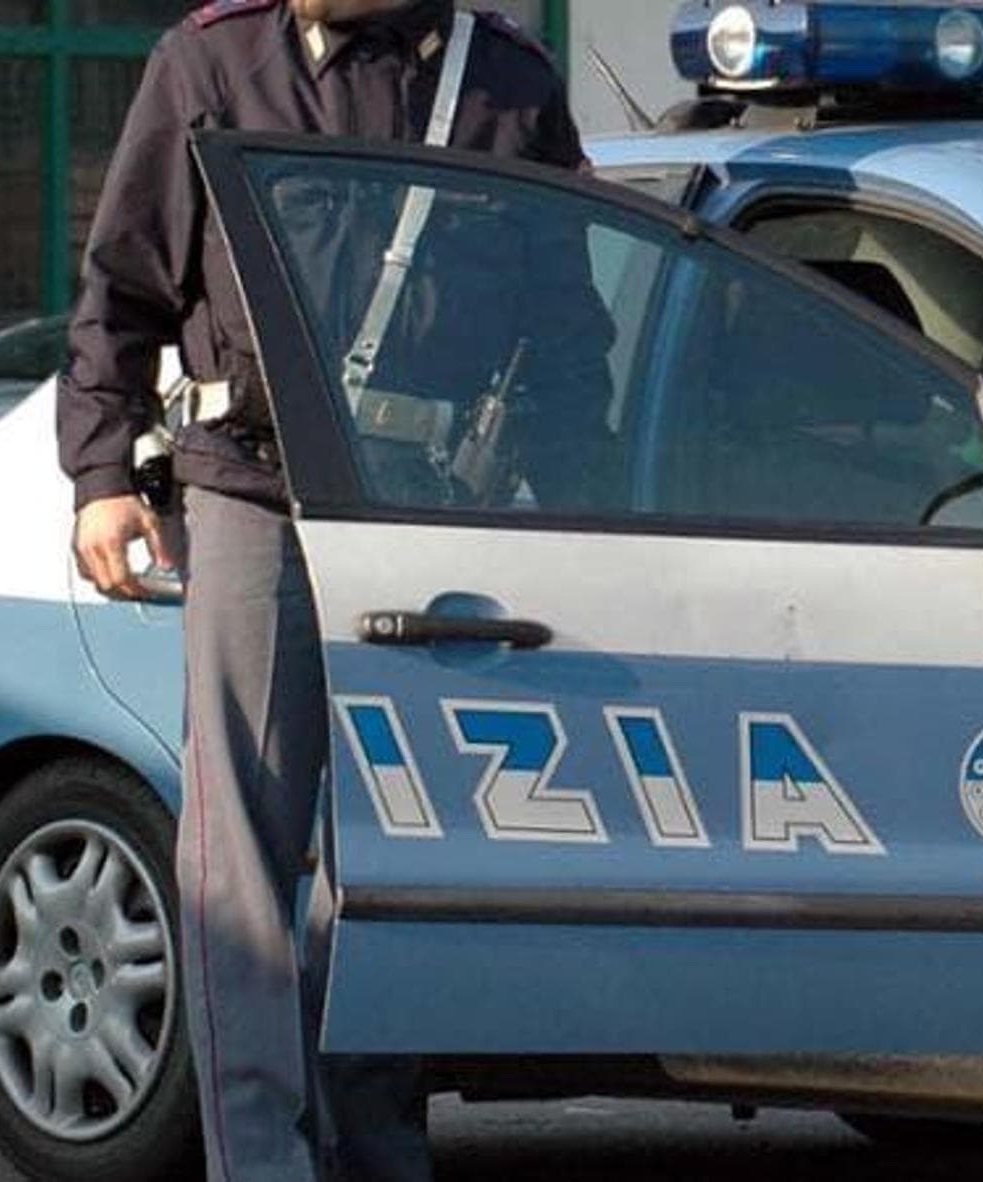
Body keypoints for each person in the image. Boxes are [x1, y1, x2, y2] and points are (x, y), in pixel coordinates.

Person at [57, 2, 593, 1177]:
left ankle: (378, 1147)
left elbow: (568, 330)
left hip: (434, 514)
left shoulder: (505, 81)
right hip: (257, 493)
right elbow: (122, 290)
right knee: (242, 862)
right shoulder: (213, 62)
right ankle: (261, 1158)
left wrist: (583, 513)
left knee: (396, 857)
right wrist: (102, 478)